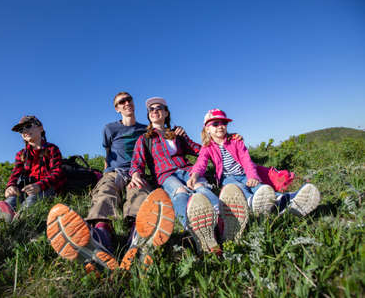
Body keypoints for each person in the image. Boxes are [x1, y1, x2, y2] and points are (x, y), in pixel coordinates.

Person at [46, 92, 175, 274]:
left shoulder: (146, 129)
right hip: (115, 171)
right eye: (121, 102)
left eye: (128, 99)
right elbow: (108, 155)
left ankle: (136, 238)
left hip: (136, 172)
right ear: (117, 108)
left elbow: (163, 136)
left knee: (138, 193)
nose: (126, 103)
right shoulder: (110, 129)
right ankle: (101, 237)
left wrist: (178, 133)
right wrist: (106, 174)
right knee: (106, 191)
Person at [128, 97, 248, 256]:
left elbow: (201, 150)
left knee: (201, 188)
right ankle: (196, 231)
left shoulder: (176, 134)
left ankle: (222, 222)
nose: (155, 111)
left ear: (166, 113)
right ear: (149, 115)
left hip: (187, 170)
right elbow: (137, 160)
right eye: (151, 109)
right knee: (180, 192)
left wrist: (227, 138)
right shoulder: (145, 138)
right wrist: (135, 174)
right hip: (166, 175)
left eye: (159, 108)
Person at [188, 108, 321, 217]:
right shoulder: (207, 147)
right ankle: (253, 202)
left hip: (244, 173)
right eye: (215, 124)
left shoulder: (235, 141)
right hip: (227, 178)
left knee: (259, 188)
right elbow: (201, 163)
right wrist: (194, 175)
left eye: (223, 123)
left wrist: (252, 176)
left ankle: (289, 199)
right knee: (237, 188)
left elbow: (246, 160)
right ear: (207, 129)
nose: (220, 126)